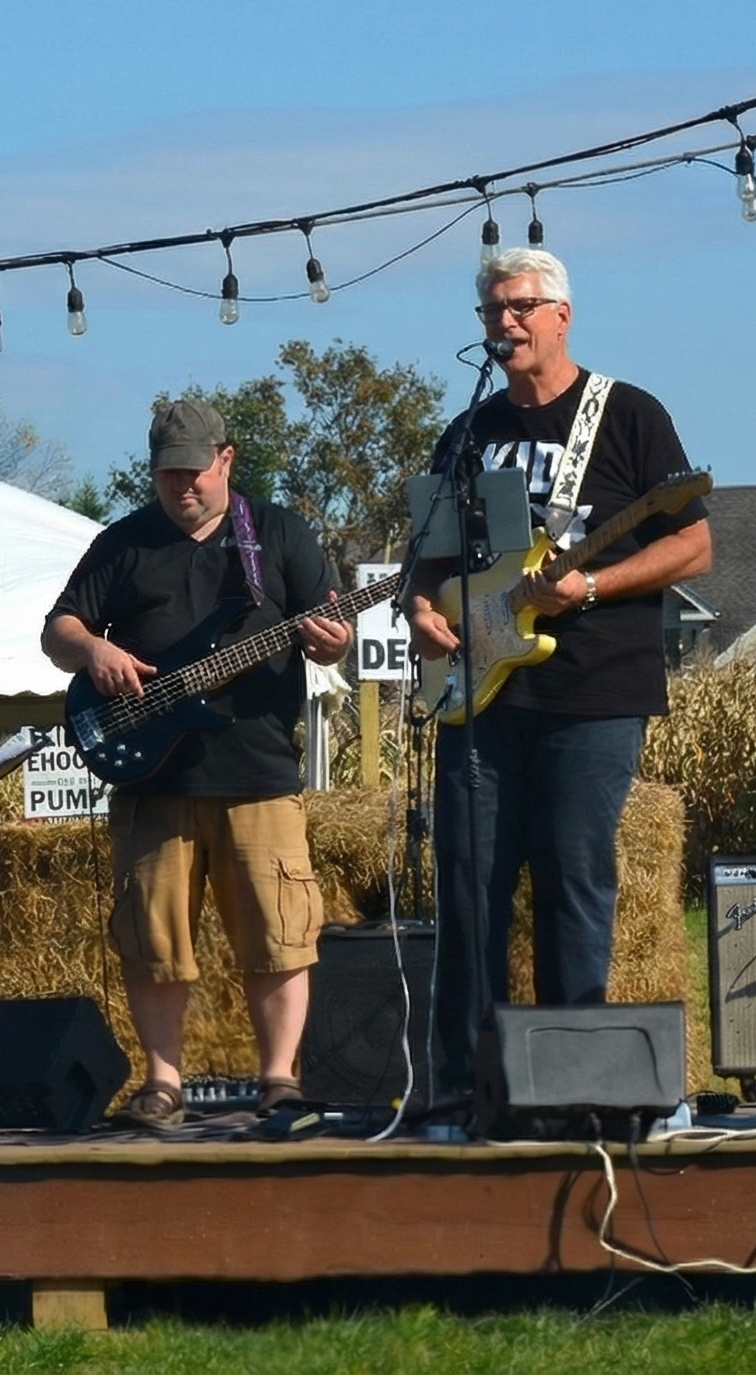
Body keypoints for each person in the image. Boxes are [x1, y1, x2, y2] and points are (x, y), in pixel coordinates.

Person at [405, 247, 711, 1108]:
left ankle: (576, 1085)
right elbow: (426, 559)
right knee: (470, 885)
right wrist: (423, 609)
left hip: (592, 690)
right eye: (492, 310)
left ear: (562, 314)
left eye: (521, 307)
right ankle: (472, 1085)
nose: (505, 322)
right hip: (481, 692)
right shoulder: (467, 433)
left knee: (574, 876)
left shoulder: (627, 416)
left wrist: (593, 584)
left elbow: (693, 541)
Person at [41, 399, 349, 1131]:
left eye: (195, 473)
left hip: (260, 771)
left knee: (278, 930)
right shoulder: (124, 543)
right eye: (168, 475)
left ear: (226, 460)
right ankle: (163, 1083)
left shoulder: (277, 534)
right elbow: (58, 631)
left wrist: (331, 642)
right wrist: (96, 651)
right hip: (154, 776)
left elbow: (331, 626)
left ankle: (279, 1079)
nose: (183, 487)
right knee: (153, 936)